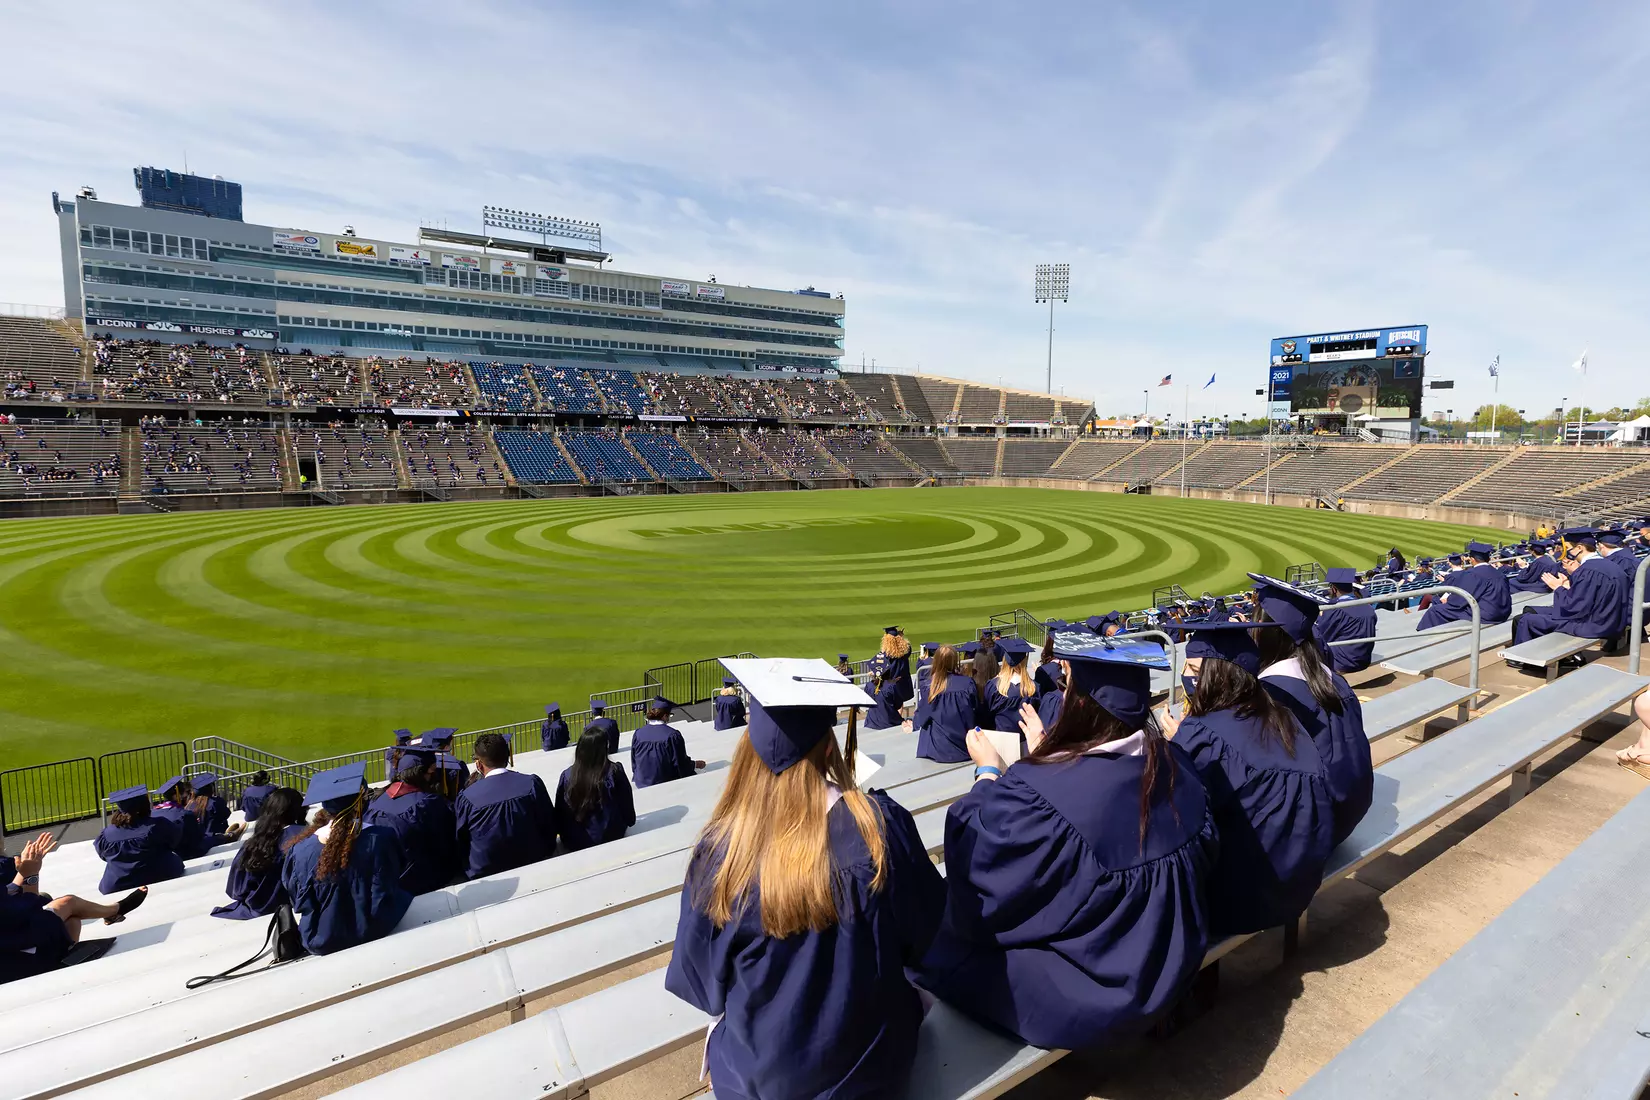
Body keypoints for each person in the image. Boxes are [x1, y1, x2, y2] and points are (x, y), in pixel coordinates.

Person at [915, 638, 1216, 1049]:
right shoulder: (1177, 764)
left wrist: (987, 774)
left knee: (939, 947)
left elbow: (982, 892)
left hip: (1107, 994)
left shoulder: (1041, 799)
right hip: (1172, 957)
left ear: (1077, 704)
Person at [665, 659, 945, 1100]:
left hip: (761, 1083)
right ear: (831, 749)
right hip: (873, 1072)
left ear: (745, 755)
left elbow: (703, 987)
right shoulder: (881, 830)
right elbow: (927, 937)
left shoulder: (721, 856)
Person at [1162, 621, 1334, 935]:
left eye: (1194, 669)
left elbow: (1183, 817)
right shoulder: (1285, 717)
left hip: (1244, 899)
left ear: (1216, 675)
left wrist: (1176, 748)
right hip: (1299, 880)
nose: (1188, 678)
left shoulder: (1203, 734)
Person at [1251, 574, 1373, 847]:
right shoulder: (1332, 679)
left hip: (1313, 826)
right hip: (1349, 809)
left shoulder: (1273, 693)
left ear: (1265, 633)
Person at [281, 762, 412, 955]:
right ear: (360, 800)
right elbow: (393, 879)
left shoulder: (300, 850)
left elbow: (297, 898)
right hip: (375, 926)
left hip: (320, 937)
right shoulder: (381, 838)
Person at [2, 832, 147, 984]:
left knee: (73, 921)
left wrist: (25, 869)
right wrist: (31, 876)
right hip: (15, 960)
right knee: (67, 904)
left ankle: (67, 958)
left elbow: (8, 893)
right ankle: (115, 910)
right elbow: (29, 913)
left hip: (10, 943)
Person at [454, 733, 558, 878]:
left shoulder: (467, 798)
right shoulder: (531, 784)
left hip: (485, 871)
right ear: (508, 757)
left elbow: (462, 840)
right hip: (534, 860)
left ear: (478, 764)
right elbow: (549, 823)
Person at [364, 746, 460, 894]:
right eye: (431, 771)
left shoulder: (376, 801)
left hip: (386, 881)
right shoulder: (427, 804)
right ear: (422, 774)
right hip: (422, 880)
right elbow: (447, 839)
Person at [1512, 529, 1631, 645]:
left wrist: (1558, 587)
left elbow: (1574, 607)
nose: (1568, 553)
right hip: (1610, 621)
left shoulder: (1588, 570)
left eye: (1569, 548)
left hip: (1593, 625)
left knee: (1524, 620)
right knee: (1531, 610)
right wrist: (1567, 585)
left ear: (1580, 548)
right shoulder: (1611, 566)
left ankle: (1527, 660)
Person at [212, 787, 307, 920]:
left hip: (260, 907)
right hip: (298, 903)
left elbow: (236, 889)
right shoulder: (308, 836)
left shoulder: (255, 843)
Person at [554, 730, 637, 852]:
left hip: (575, 840)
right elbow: (627, 808)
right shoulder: (614, 772)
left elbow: (560, 812)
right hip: (610, 834)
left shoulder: (567, 776)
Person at [95, 785, 186, 893]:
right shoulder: (157, 825)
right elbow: (174, 841)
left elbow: (103, 856)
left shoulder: (106, 834)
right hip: (158, 875)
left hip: (117, 884)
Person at [1419, 541, 1512, 631]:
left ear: (1472, 559)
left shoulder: (1473, 574)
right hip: (1503, 612)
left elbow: (1459, 601)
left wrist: (1448, 600)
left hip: (1487, 615)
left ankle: (1421, 641)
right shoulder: (1498, 573)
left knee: (1435, 610)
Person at [912, 644, 980, 764]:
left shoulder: (930, 686)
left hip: (939, 750)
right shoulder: (967, 683)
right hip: (965, 745)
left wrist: (912, 725)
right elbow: (975, 710)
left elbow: (922, 718)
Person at [1313, 568, 1376, 673]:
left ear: (1333, 589)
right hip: (1364, 660)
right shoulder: (1368, 607)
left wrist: (1319, 618)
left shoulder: (1335, 609)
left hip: (1343, 662)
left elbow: (1322, 635)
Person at [631, 696, 703, 787]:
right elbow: (680, 763)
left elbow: (634, 762)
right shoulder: (672, 736)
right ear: (665, 716)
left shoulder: (638, 734)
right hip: (664, 783)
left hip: (641, 782)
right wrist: (694, 764)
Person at [982, 637, 1038, 731]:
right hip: (1026, 740)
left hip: (1001, 738)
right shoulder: (1033, 688)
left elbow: (986, 715)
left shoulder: (994, 686)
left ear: (1005, 660)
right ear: (1024, 661)